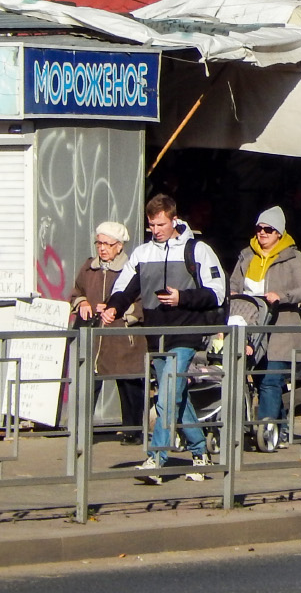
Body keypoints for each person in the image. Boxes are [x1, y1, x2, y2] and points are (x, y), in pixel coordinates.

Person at [103, 194, 227, 484]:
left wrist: (182, 297)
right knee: (177, 397)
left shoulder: (198, 250)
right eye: (151, 225)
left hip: (185, 333)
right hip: (155, 335)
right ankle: (200, 452)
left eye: (160, 224)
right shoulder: (143, 253)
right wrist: (113, 308)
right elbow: (126, 287)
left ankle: (156, 458)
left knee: (168, 394)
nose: (156, 230)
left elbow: (217, 291)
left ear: (174, 220)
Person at [231, 207, 301, 448]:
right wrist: (234, 293)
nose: (262, 233)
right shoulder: (246, 255)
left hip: (281, 330)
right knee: (260, 381)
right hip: (253, 329)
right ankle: (282, 429)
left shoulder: (292, 257)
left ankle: (265, 433)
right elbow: (234, 281)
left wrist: (282, 296)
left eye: (268, 229)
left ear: (279, 233)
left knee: (271, 380)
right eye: (259, 228)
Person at [69, 221, 146, 444]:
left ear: (119, 246)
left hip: (123, 336)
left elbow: (142, 303)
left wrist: (120, 312)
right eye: (99, 243)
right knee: (89, 383)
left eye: (107, 244)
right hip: (94, 336)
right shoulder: (88, 267)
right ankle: (81, 432)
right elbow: (76, 292)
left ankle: (133, 431)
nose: (102, 248)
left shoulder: (132, 268)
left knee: (129, 385)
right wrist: (82, 303)